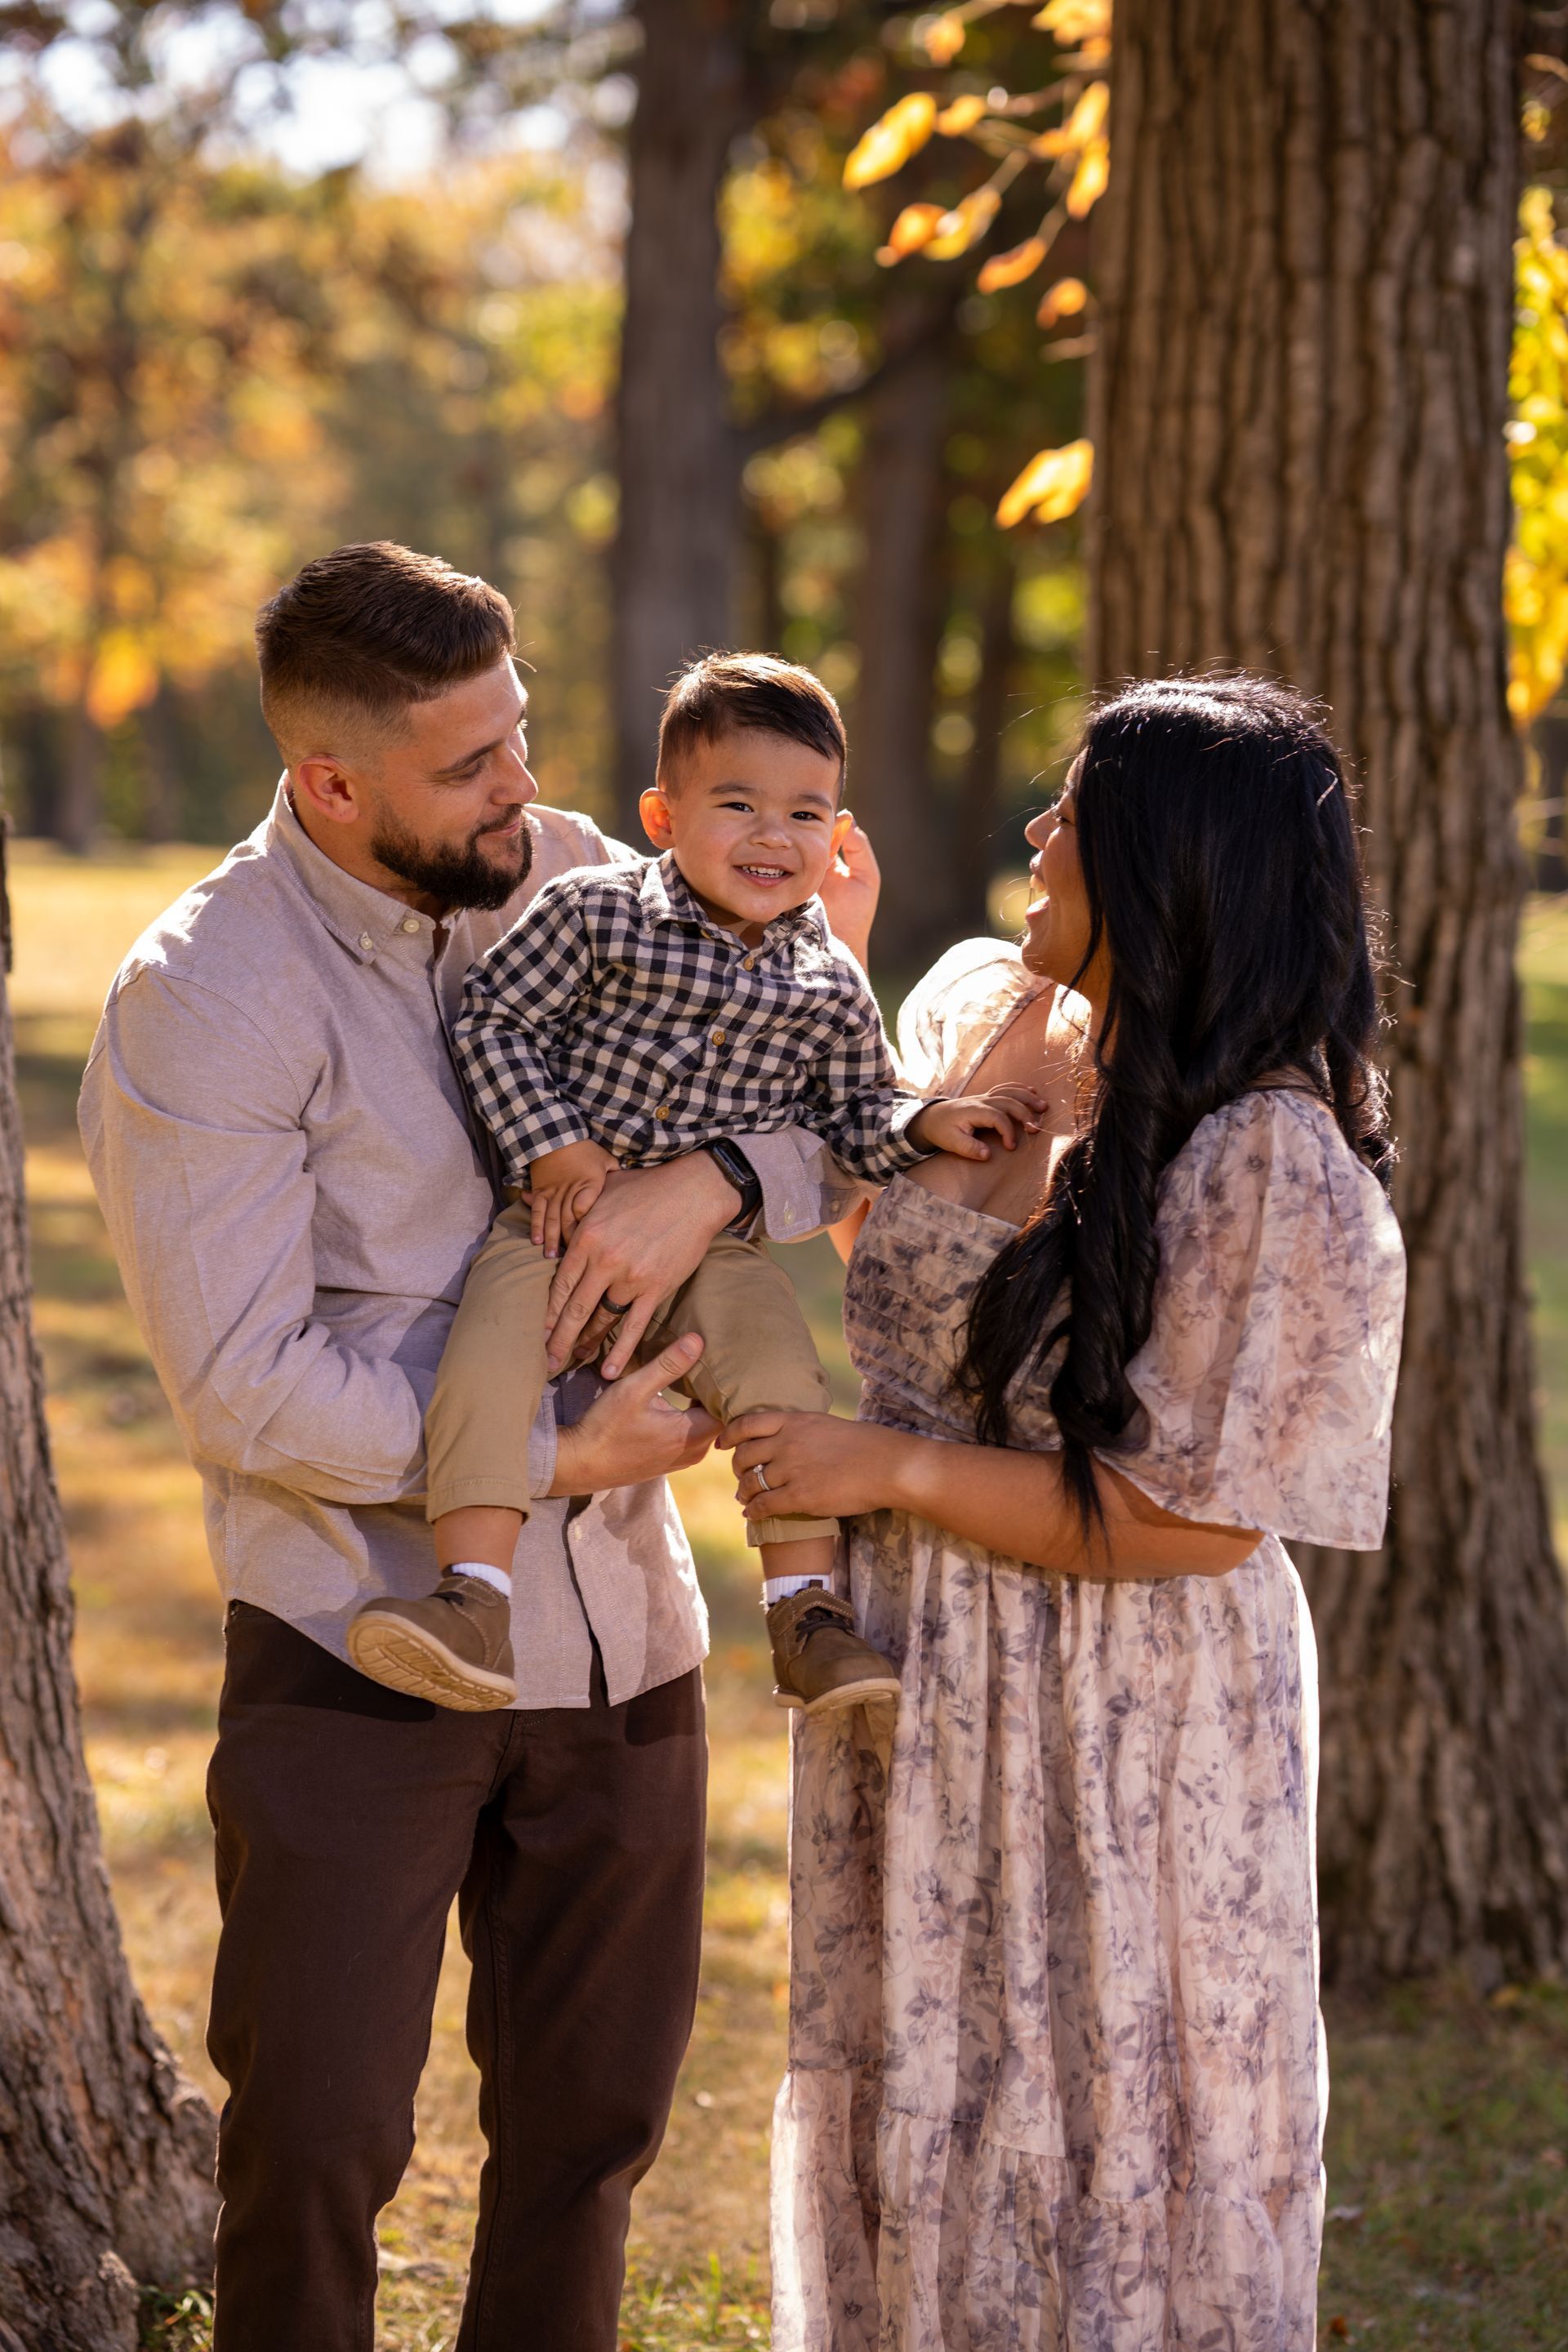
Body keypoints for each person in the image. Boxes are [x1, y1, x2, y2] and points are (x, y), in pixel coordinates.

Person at [77, 541, 869, 2352]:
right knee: (322, 2140)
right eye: (471, 766)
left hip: (627, 1649)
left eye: (519, 738)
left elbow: (834, 1112)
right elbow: (244, 1388)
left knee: (591, 2133)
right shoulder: (206, 993)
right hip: (360, 1648)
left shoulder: (602, 877)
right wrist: (559, 1451)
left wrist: (717, 1182)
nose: (526, 789)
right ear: (332, 781)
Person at [725, 676, 1407, 2351]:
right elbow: (904, 1282)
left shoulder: (1268, 1158)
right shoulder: (992, 1018)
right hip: (925, 1685)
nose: (1034, 833)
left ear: (1170, 866)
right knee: (930, 2084)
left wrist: (880, 1472)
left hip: (1125, 1715)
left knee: (1105, 2100)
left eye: (1074, 814)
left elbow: (1198, 1520)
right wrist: (833, 971)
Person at [348, 651, 1041, 1720]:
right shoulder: (596, 913)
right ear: (663, 817)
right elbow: (494, 1016)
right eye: (738, 805)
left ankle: (807, 1611)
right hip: (555, 1216)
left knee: (771, 1349)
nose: (774, 837)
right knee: (486, 1354)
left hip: (716, 1250)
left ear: (839, 836)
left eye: (806, 815)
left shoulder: (825, 983)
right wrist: (556, 1148)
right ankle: (472, 1597)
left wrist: (930, 1121)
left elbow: (851, 1124)